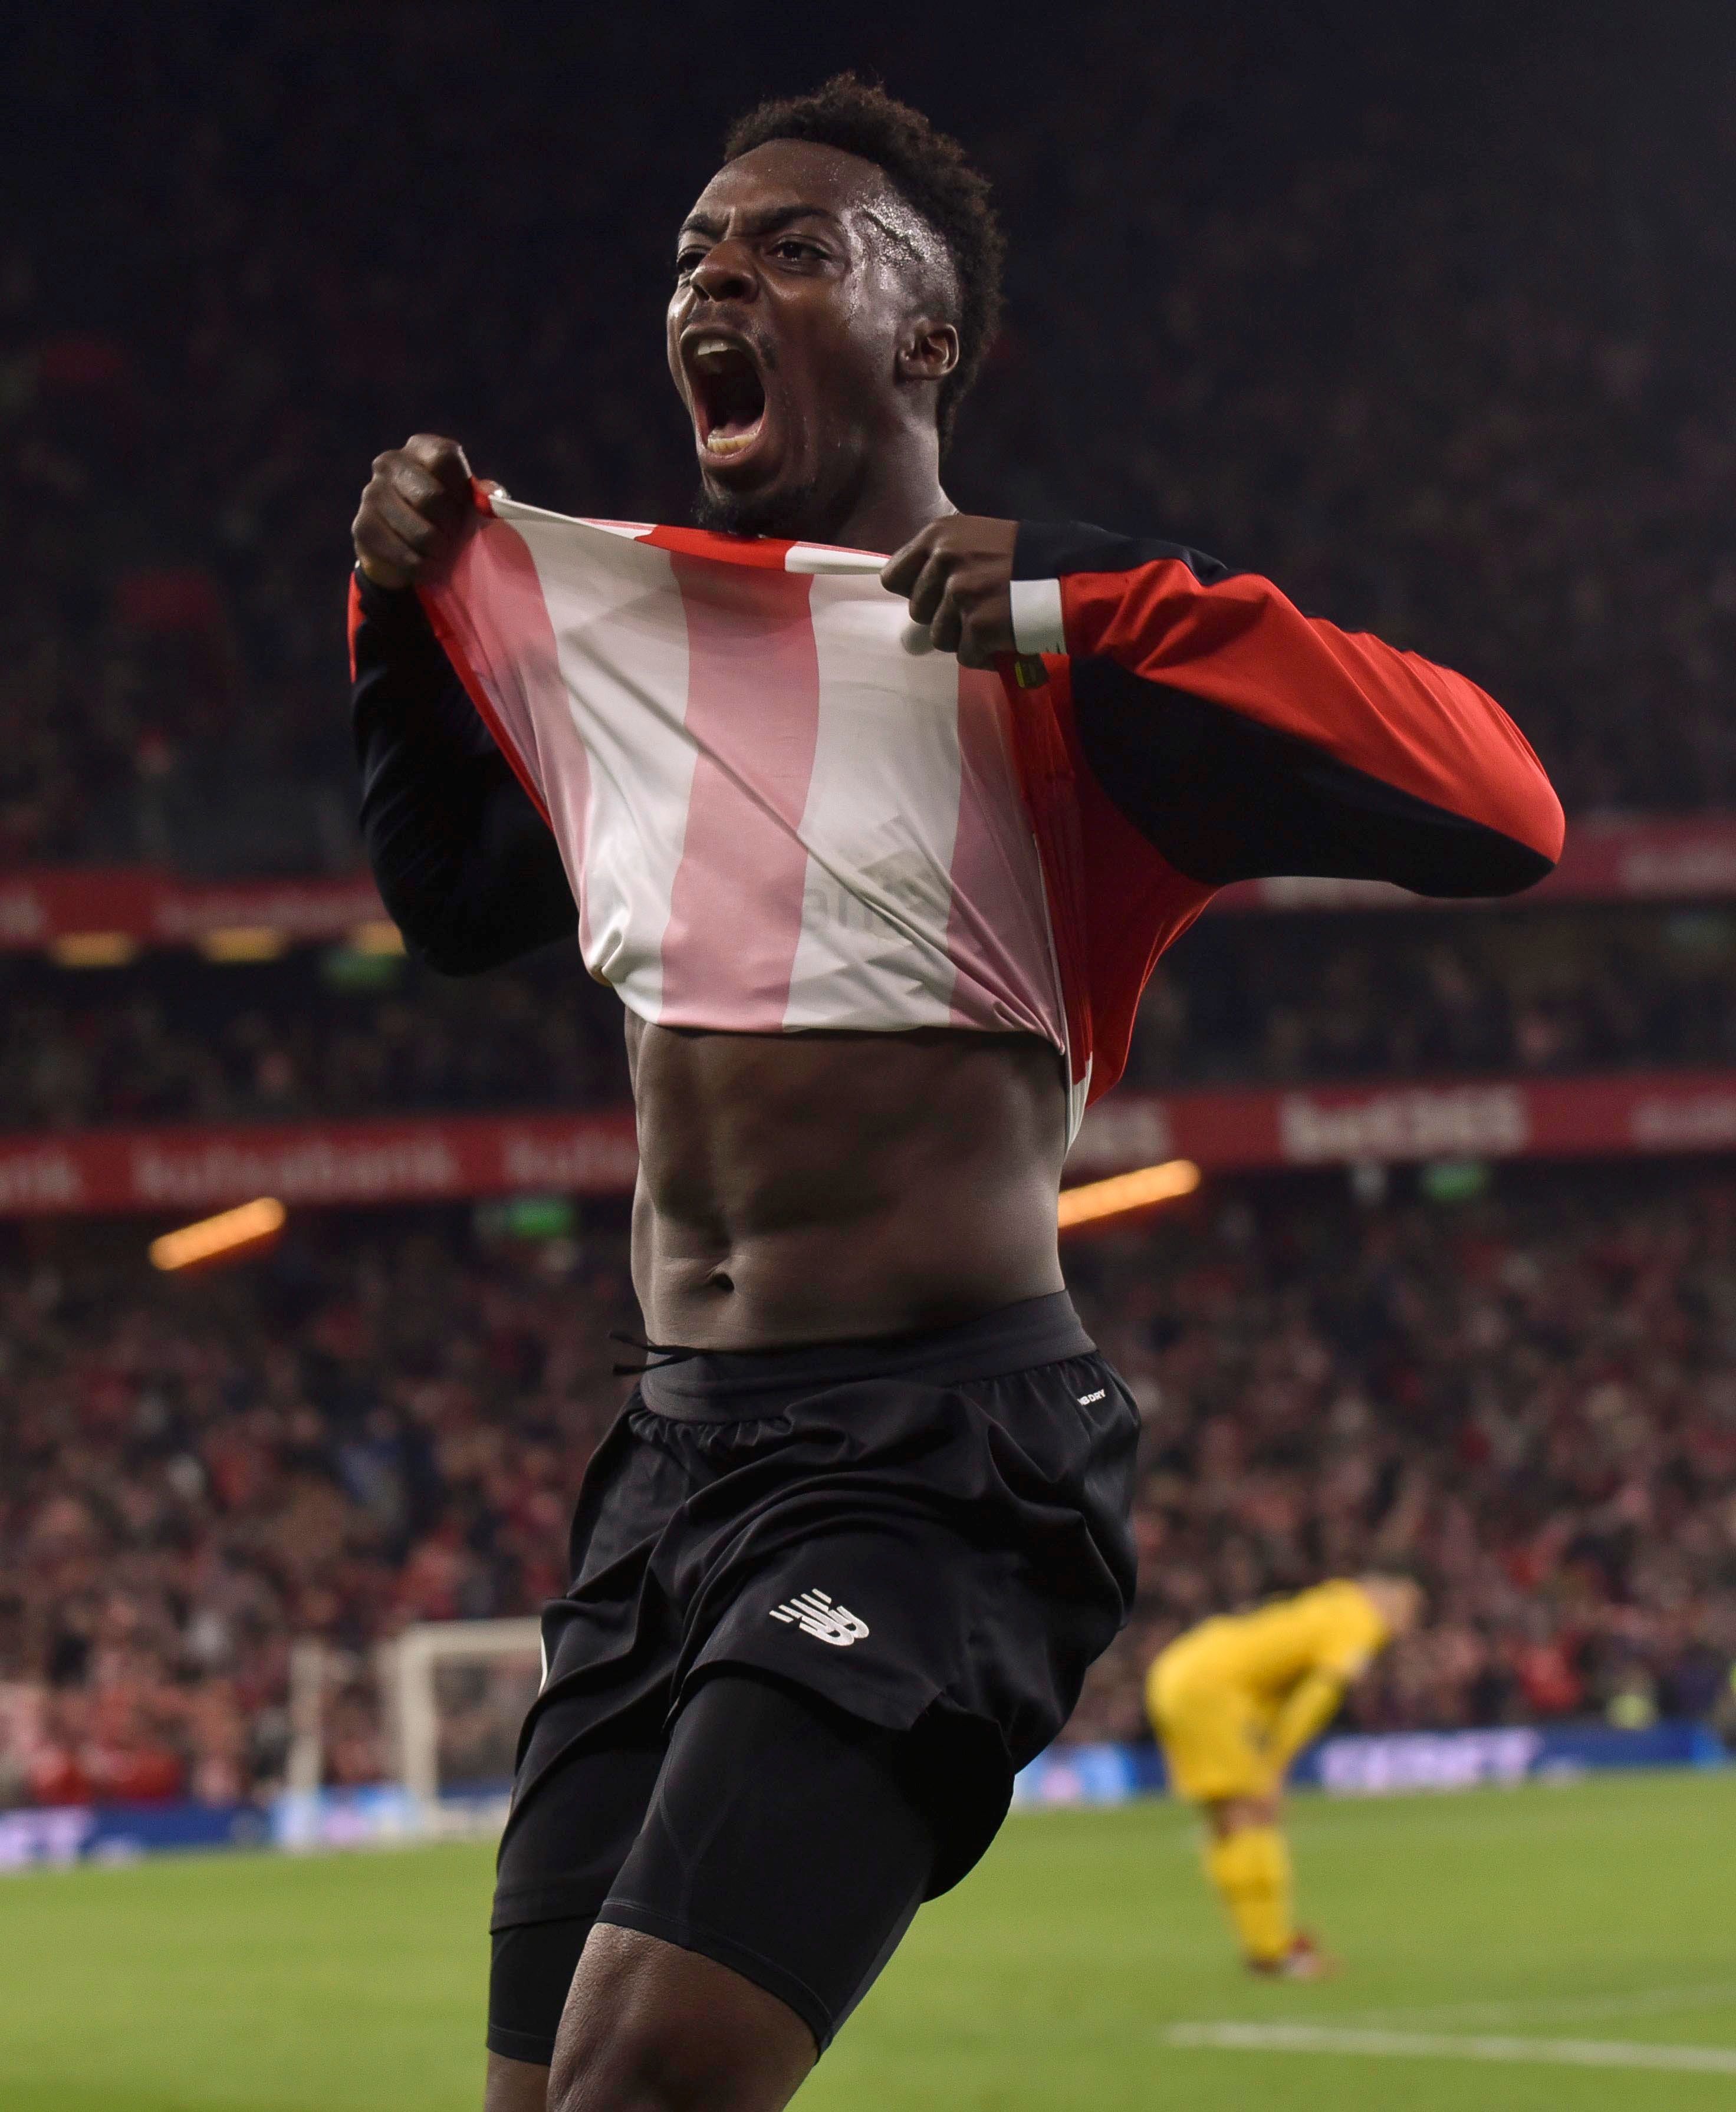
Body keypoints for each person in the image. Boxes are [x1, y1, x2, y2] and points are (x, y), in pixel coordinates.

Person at [347, 73, 1561, 2112]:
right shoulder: (636, 643)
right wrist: (395, 613)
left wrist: (1094, 603)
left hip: (932, 1461)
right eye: (695, 254)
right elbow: (452, 904)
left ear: (926, 338)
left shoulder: (1055, 649)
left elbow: (1499, 807)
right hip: (666, 1462)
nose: (717, 279)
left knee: (645, 2080)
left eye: (791, 249)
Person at [1146, 1574, 1425, 1978]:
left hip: (1177, 1670)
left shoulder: (1327, 1604)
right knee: (1255, 1814)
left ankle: (1264, 1944)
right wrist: (1276, 1763)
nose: (1405, 1628)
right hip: (1213, 1689)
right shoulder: (1361, 1622)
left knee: (1228, 1822)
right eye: (1409, 1614)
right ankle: (1275, 1951)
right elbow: (1317, 1697)